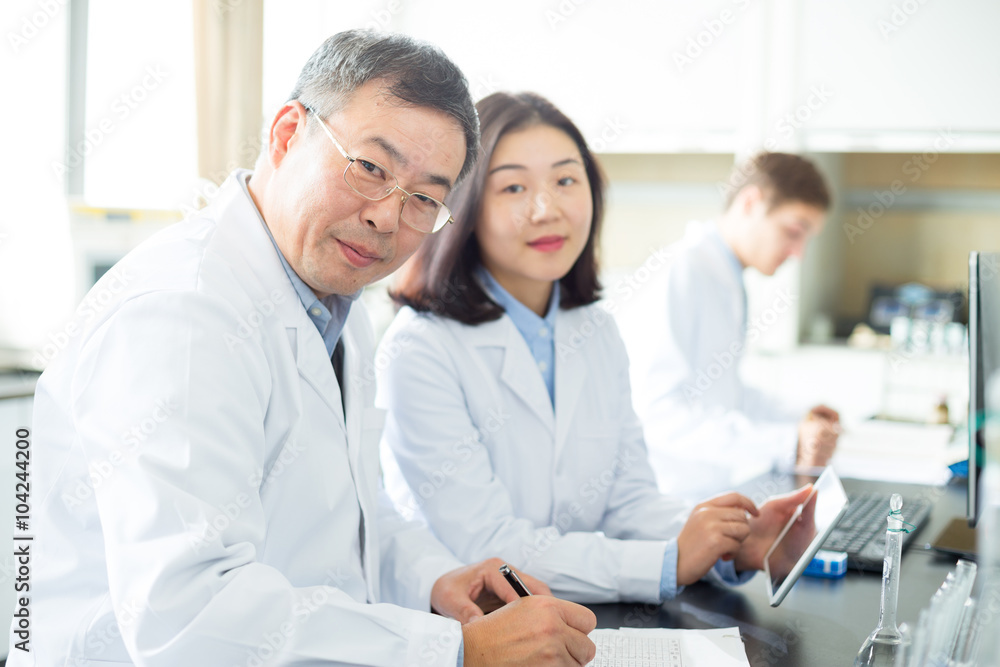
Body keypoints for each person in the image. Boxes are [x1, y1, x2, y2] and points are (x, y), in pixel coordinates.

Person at [11, 32, 598, 667]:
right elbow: (189, 613)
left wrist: (436, 581)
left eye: (424, 199)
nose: (386, 218)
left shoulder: (336, 304)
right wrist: (456, 650)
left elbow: (347, 517)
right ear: (288, 134)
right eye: (370, 168)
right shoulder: (183, 313)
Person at [377, 92, 814, 605]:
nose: (548, 209)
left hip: (576, 618)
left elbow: (627, 502)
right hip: (478, 633)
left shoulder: (595, 331)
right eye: (514, 187)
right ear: (467, 208)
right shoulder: (420, 349)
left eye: (566, 180)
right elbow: (487, 546)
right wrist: (669, 561)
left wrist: (729, 541)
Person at [616, 152, 842, 501]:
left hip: (704, 493)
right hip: (667, 498)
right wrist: (787, 442)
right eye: (794, 232)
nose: (798, 253)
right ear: (750, 202)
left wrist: (803, 415)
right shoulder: (682, 272)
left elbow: (723, 393)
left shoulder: (727, 277)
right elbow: (658, 413)